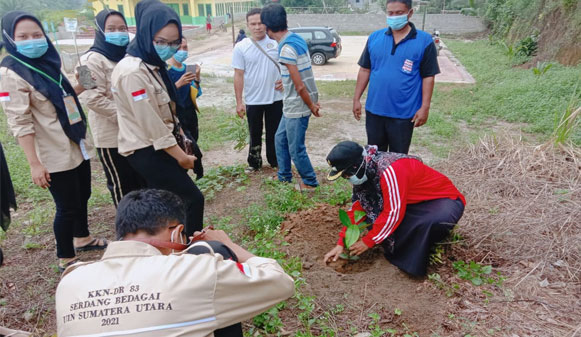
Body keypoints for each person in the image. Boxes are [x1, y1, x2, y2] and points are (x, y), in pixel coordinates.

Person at [56, 189, 295, 336]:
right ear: (176, 233)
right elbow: (281, 282)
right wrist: (228, 245)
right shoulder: (195, 272)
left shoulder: (71, 281)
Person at [0, 11, 107, 272]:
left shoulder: (48, 61)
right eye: (23, 36)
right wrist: (35, 164)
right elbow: (19, 122)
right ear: (9, 39)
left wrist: (83, 79)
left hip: (74, 141)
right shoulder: (10, 73)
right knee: (67, 206)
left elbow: (64, 93)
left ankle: (82, 238)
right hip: (52, 150)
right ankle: (66, 258)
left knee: (84, 193)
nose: (32, 41)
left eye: (37, 35)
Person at [111, 0, 204, 236]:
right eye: (161, 42)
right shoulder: (133, 72)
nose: (169, 48)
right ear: (145, 34)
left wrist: (183, 137)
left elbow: (168, 112)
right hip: (147, 149)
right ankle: (192, 253)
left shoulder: (152, 64)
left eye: (174, 42)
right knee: (192, 199)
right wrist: (181, 157)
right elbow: (151, 124)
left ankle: (168, 249)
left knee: (166, 204)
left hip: (159, 145)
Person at [323, 141, 465, 276]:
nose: (347, 178)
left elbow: (393, 213)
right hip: (411, 201)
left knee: (428, 223)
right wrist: (340, 243)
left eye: (347, 174)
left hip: (442, 200)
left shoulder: (390, 171)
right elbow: (358, 208)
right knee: (381, 217)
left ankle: (418, 257)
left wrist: (369, 241)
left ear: (356, 166)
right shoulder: (366, 170)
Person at [76, 9, 145, 207]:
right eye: (111, 28)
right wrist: (129, 115)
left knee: (142, 182)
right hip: (111, 137)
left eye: (122, 28)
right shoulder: (86, 62)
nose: (119, 32)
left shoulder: (129, 56)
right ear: (100, 30)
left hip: (137, 133)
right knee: (122, 185)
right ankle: (127, 230)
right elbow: (92, 98)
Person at [352, 0, 439, 154]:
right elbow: (365, 69)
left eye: (399, 13)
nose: (394, 17)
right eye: (390, 13)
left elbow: (428, 77)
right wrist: (356, 99)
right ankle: (378, 180)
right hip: (375, 111)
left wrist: (425, 107)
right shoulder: (375, 38)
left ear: (410, 13)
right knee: (374, 158)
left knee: (398, 159)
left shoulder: (424, 41)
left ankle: (395, 179)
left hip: (404, 114)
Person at [260, 4, 321, 190]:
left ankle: (310, 182)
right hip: (292, 103)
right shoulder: (296, 38)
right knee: (280, 139)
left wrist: (311, 105)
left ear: (267, 28)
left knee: (296, 148)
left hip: (298, 105)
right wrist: (284, 81)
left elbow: (300, 85)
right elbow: (298, 73)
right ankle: (284, 176)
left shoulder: (286, 49)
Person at [232, 8, 284, 172]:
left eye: (260, 23)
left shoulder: (277, 43)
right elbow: (238, 75)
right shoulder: (241, 47)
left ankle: (275, 161)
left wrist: (285, 80)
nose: (257, 27)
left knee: (274, 133)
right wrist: (239, 102)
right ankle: (254, 162)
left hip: (275, 98)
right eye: (253, 24)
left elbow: (288, 66)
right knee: (254, 132)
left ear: (266, 23)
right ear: (247, 25)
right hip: (253, 99)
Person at [167, 37, 205, 179]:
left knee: (193, 141)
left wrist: (197, 78)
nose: (182, 51)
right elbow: (164, 96)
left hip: (190, 112)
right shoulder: (167, 71)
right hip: (178, 114)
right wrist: (178, 84)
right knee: (191, 146)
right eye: (179, 48)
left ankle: (190, 169)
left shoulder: (187, 68)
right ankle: (197, 169)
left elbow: (196, 93)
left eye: (185, 47)